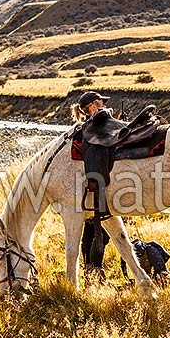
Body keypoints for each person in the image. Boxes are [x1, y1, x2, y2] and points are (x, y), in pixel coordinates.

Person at [73, 91, 113, 280]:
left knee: (89, 230)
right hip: (97, 192)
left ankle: (89, 268)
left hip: (85, 190)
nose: (103, 106)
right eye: (100, 103)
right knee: (102, 233)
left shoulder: (85, 129)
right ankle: (95, 269)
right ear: (93, 107)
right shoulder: (93, 129)